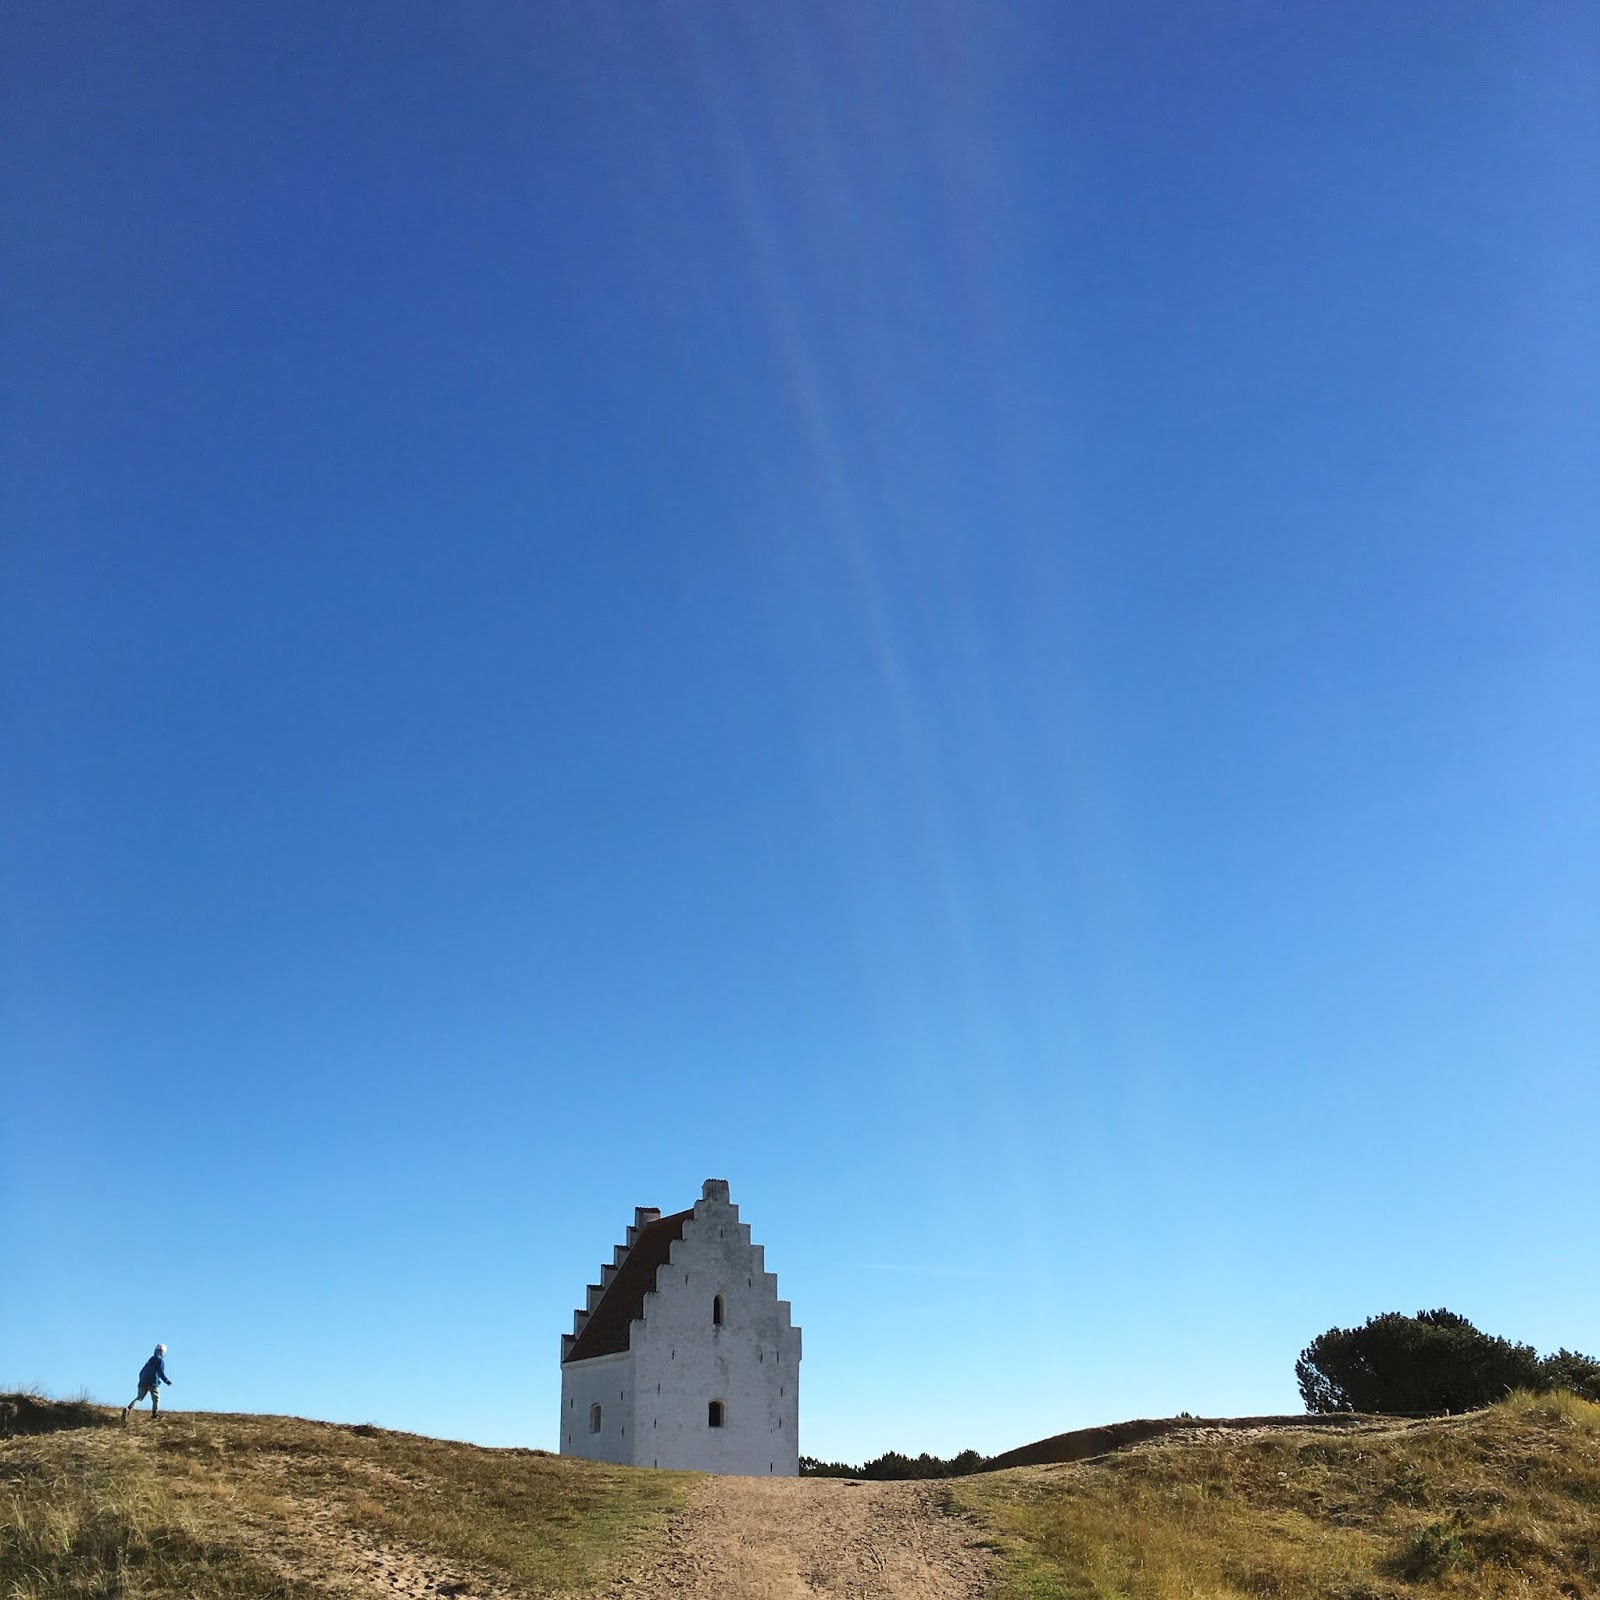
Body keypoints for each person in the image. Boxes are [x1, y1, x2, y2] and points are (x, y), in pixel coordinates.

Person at [124, 1343, 172, 1420]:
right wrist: (167, 1381)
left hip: (142, 1382)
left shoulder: (150, 1360)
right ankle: (154, 1414)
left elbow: (141, 1372)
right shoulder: (160, 1361)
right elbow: (160, 1373)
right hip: (153, 1383)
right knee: (156, 1398)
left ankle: (128, 1409)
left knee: (139, 1398)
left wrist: (141, 1380)